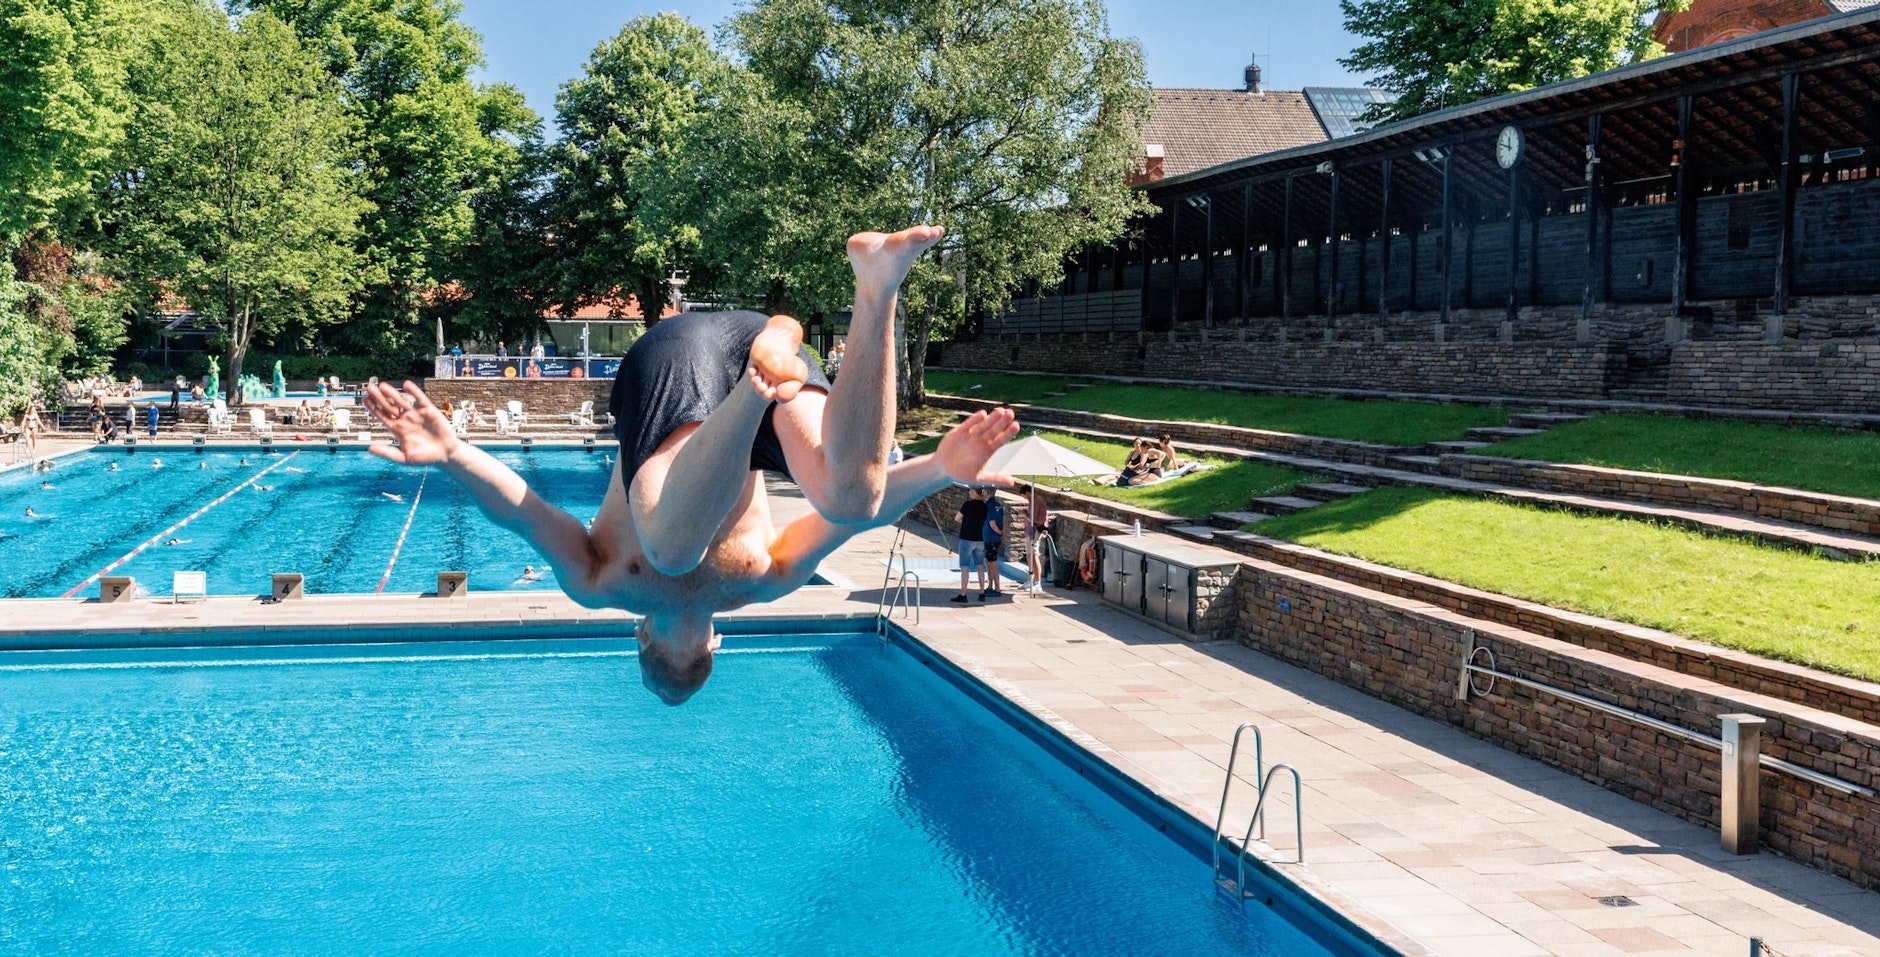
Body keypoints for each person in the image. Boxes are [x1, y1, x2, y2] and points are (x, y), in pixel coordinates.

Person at [363, 226, 1017, 705]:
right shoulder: (713, 586)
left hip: (677, 368)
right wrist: (941, 465)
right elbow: (856, 518)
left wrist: (456, 453)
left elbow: (529, 516)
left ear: (711, 647)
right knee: (850, 496)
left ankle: (760, 379)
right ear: (642, 641)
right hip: (752, 376)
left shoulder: (634, 584)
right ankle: (876, 287)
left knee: (674, 551)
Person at [952, 487, 991, 604]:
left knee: (965, 568)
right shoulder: (985, 506)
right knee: (980, 567)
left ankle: (963, 594)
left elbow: (957, 518)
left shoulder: (967, 505)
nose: (969, 492)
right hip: (980, 539)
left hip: (967, 539)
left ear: (974, 492)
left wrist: (965, 522)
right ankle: (982, 593)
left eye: (970, 490)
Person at [982, 490, 1006, 597]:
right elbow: (1003, 520)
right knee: (988, 561)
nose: (983, 493)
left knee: (992, 563)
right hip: (993, 538)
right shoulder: (999, 505)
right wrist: (1002, 533)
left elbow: (992, 524)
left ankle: (997, 588)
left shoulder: (989, 506)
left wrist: (1000, 533)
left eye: (984, 491)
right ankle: (990, 586)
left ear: (987, 493)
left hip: (991, 538)